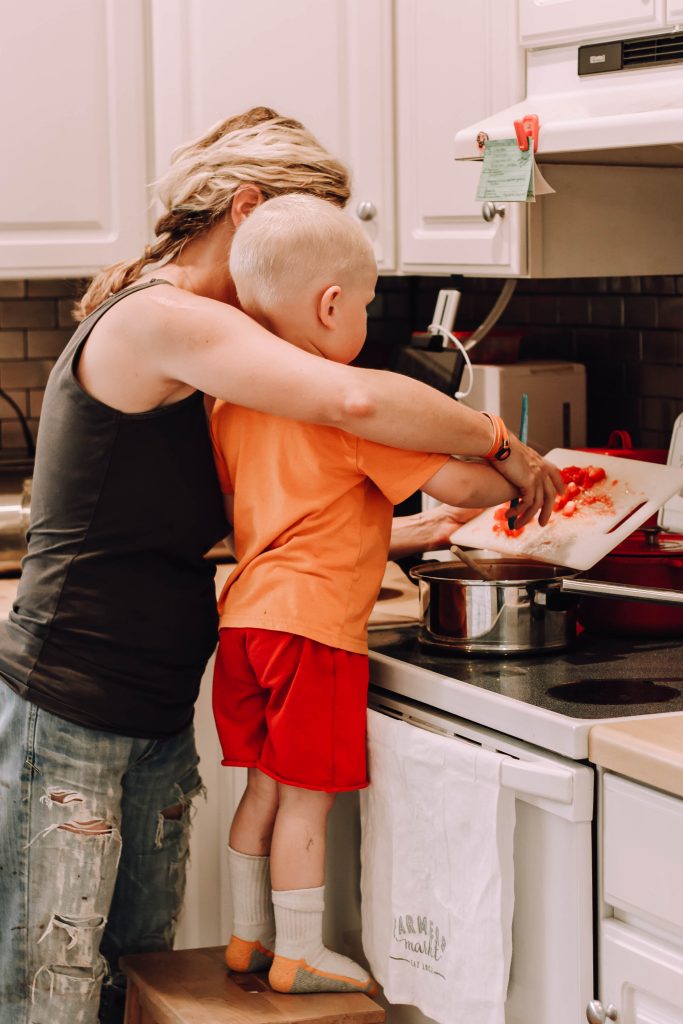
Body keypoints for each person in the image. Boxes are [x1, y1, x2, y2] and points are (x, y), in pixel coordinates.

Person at [0, 107, 563, 1024]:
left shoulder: (219, 361)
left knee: (126, 989)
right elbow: (349, 401)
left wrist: (392, 535)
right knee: (47, 1003)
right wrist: (502, 441)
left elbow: (271, 513)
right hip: (75, 707)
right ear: (247, 209)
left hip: (147, 704)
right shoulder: (161, 316)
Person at [209, 193, 522, 996]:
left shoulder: (230, 401)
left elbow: (304, 513)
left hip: (245, 623)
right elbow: (455, 478)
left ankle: (246, 939)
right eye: (370, 304)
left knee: (262, 789)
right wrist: (522, 470)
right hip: (314, 630)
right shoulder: (347, 411)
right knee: (308, 804)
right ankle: (300, 954)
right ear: (330, 305)